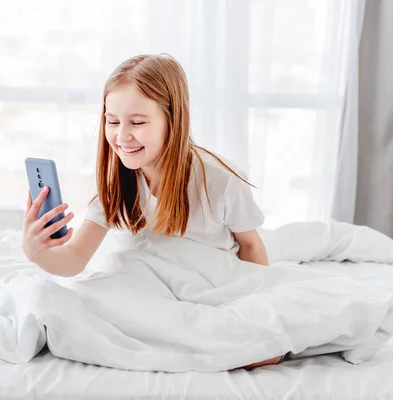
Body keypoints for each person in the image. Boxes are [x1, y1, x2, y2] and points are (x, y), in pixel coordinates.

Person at [22, 54, 280, 368]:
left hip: (209, 289)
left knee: (263, 351)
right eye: (113, 121)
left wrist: (259, 308)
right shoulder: (118, 181)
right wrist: (36, 251)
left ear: (174, 119)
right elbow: (75, 259)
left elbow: (251, 246)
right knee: (72, 307)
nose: (121, 136)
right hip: (152, 292)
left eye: (138, 122)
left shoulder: (220, 181)